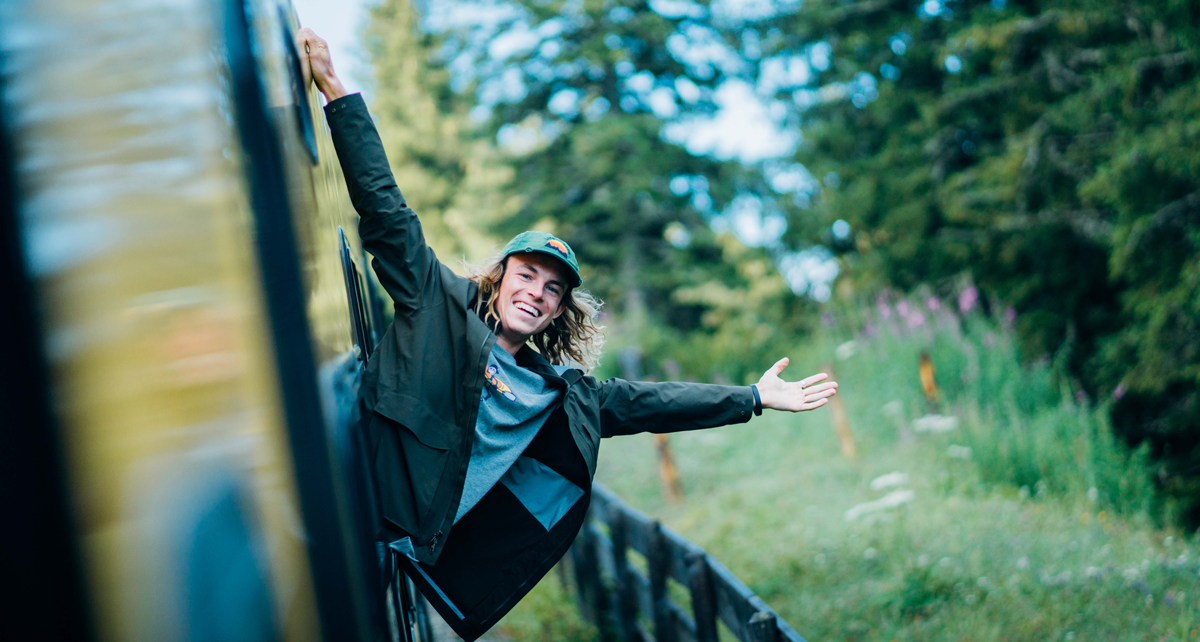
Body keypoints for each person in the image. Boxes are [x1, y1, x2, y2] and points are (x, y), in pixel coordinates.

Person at [298, 27, 838, 641]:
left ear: (558, 312)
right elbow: (387, 213)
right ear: (499, 281)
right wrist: (338, 95)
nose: (537, 291)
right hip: (347, 526)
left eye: (553, 289)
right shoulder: (437, 307)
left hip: (407, 574)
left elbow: (649, 402)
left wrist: (754, 398)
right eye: (526, 275)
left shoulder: (561, 397)